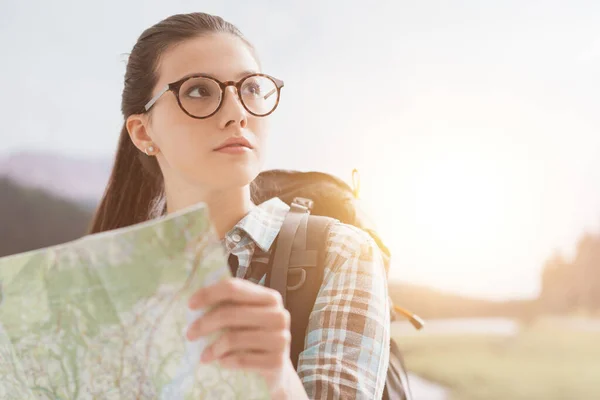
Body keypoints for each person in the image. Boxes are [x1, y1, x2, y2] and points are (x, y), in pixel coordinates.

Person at [90, 12, 390, 399]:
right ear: (144, 132)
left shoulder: (341, 253)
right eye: (199, 91)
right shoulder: (105, 280)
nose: (237, 113)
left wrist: (277, 380)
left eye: (250, 89)